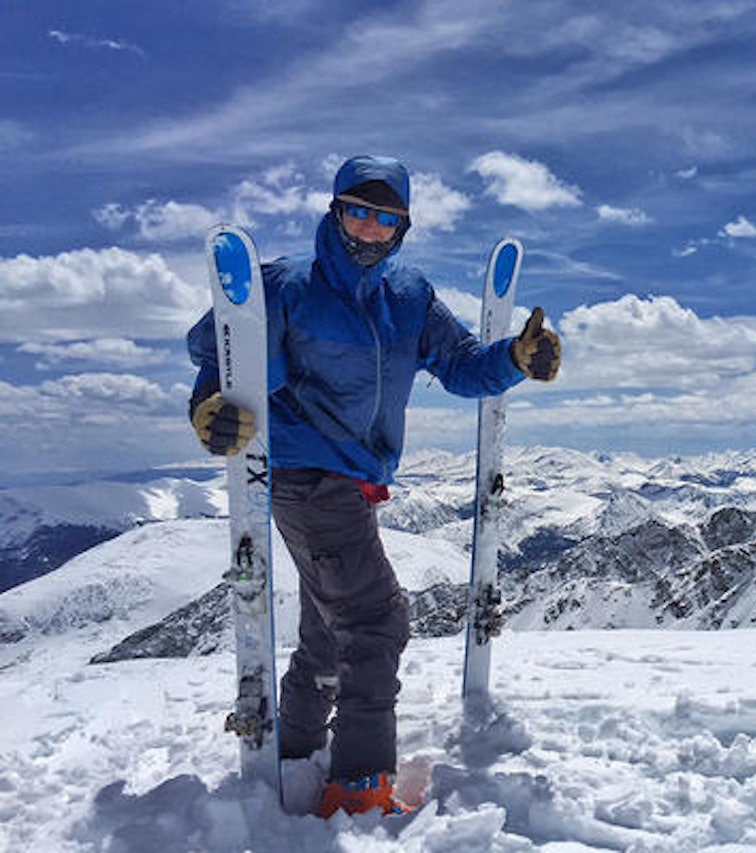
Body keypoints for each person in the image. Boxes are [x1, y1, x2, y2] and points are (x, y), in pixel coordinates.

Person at [186, 154, 561, 817]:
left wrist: (515, 358)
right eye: (357, 212)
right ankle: (359, 786)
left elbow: (464, 366)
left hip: (351, 482)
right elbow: (220, 348)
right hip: (306, 475)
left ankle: (297, 751)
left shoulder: (409, 297)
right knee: (377, 620)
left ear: (403, 228)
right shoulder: (290, 285)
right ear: (335, 213)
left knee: (332, 632)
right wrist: (209, 404)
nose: (369, 229)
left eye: (385, 219)